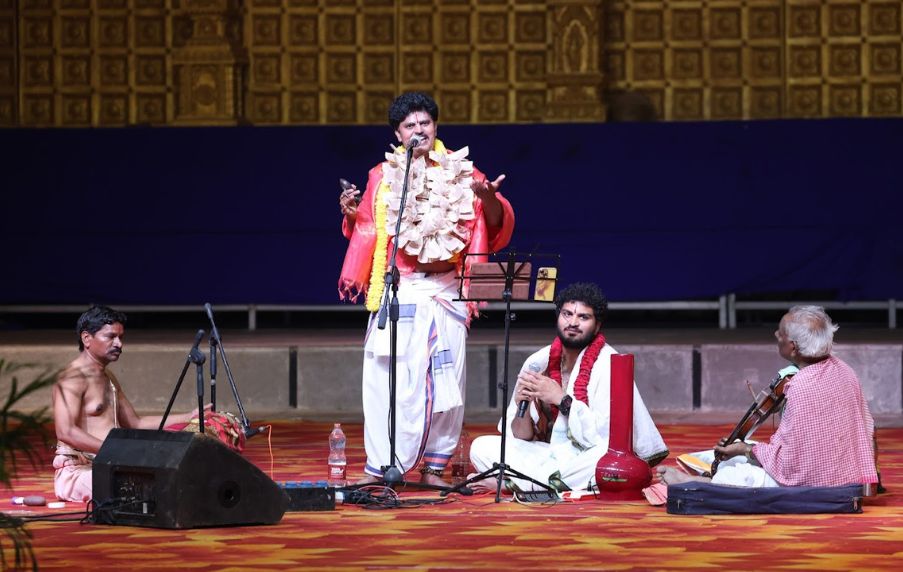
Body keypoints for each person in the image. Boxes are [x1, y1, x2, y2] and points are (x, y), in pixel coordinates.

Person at [337, 91, 515, 487]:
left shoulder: (465, 172)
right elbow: (368, 227)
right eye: (409, 126)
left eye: (425, 123)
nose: (418, 130)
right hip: (401, 291)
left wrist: (488, 200)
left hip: (447, 292)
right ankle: (386, 464)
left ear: (436, 126)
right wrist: (353, 213)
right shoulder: (381, 178)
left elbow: (496, 223)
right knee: (388, 381)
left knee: (448, 385)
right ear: (398, 134)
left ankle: (435, 467)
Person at [468, 283, 668, 493]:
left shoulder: (609, 364)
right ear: (558, 317)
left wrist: (561, 399)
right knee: (481, 447)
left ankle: (514, 484)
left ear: (597, 325)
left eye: (583, 317)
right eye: (567, 314)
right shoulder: (538, 362)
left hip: (587, 458)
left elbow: (604, 439)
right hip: (552, 456)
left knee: (605, 459)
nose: (573, 322)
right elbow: (521, 436)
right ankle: (545, 483)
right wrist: (523, 408)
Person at [658, 305, 879, 490]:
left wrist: (746, 449)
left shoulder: (800, 385)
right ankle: (714, 472)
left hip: (816, 482)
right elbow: (870, 432)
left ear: (792, 347)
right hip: (850, 474)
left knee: (744, 475)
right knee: (736, 453)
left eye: (780, 333)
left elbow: (790, 463)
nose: (776, 335)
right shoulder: (845, 370)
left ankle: (698, 482)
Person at [51, 305, 204, 502]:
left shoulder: (108, 377)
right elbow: (66, 431)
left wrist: (189, 416)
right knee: (150, 487)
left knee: (174, 478)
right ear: (86, 338)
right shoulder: (72, 378)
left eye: (121, 338)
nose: (119, 344)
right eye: (111, 337)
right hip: (77, 473)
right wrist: (117, 451)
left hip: (109, 465)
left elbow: (136, 423)